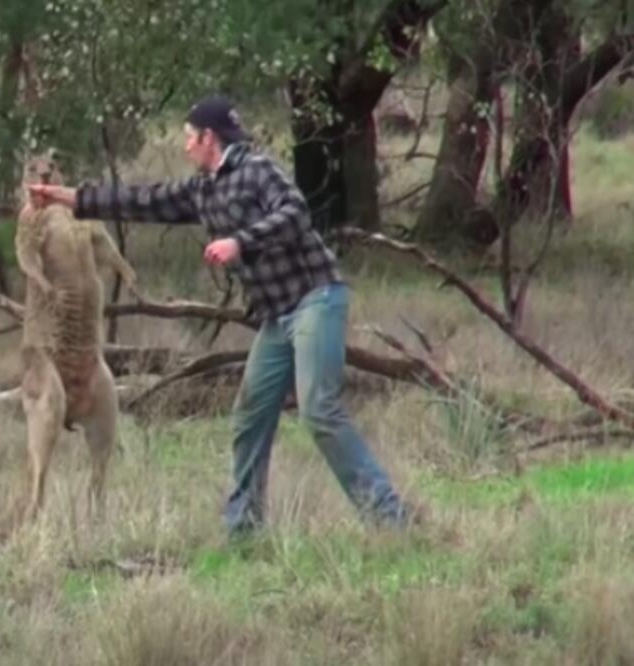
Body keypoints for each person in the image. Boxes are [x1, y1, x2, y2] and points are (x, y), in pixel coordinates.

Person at [27, 93, 412, 535]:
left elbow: (295, 214)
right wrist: (68, 199)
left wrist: (240, 242)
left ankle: (389, 519)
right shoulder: (202, 188)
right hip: (277, 316)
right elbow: (142, 200)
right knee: (250, 416)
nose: (185, 145)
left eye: (190, 137)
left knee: (319, 409)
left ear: (209, 138)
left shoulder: (256, 170)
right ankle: (244, 527)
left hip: (315, 300)